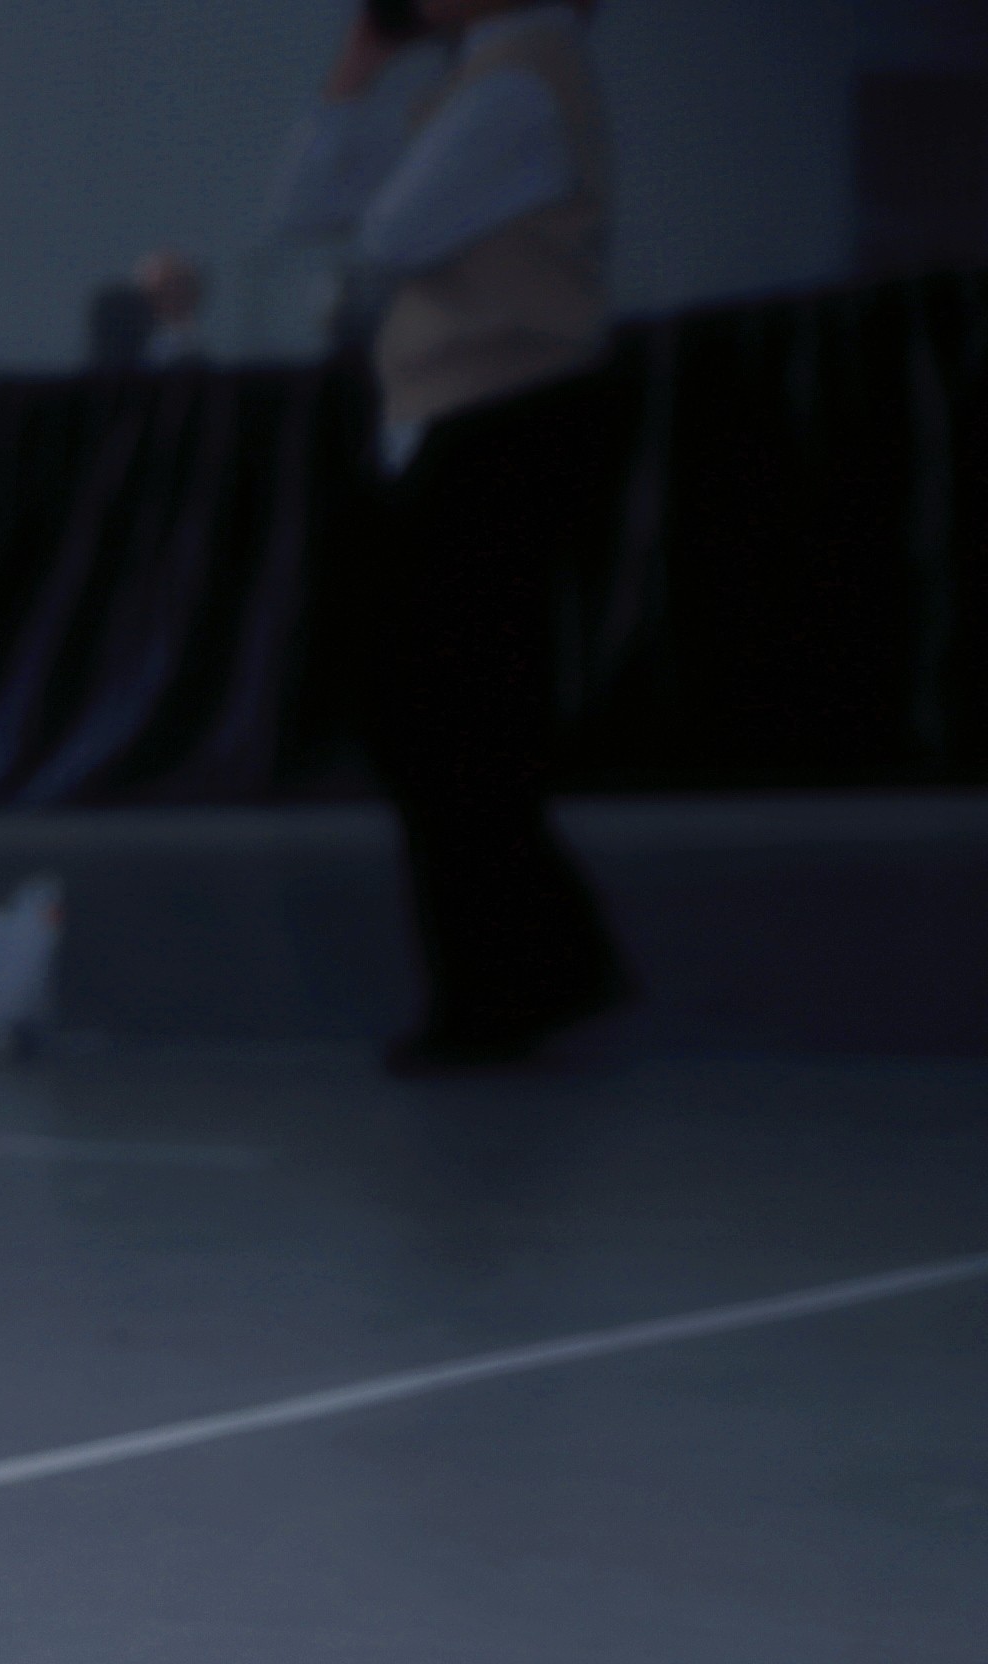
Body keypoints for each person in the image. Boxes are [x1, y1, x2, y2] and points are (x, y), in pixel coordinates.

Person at [279, 0, 632, 1071]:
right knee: (433, 716)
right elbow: (306, 207)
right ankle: (534, 966)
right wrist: (353, 76)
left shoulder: (519, 82)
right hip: (459, 421)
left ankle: (510, 981)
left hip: (504, 418)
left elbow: (391, 231)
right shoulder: (472, 84)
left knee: (452, 716)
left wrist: (376, 138)